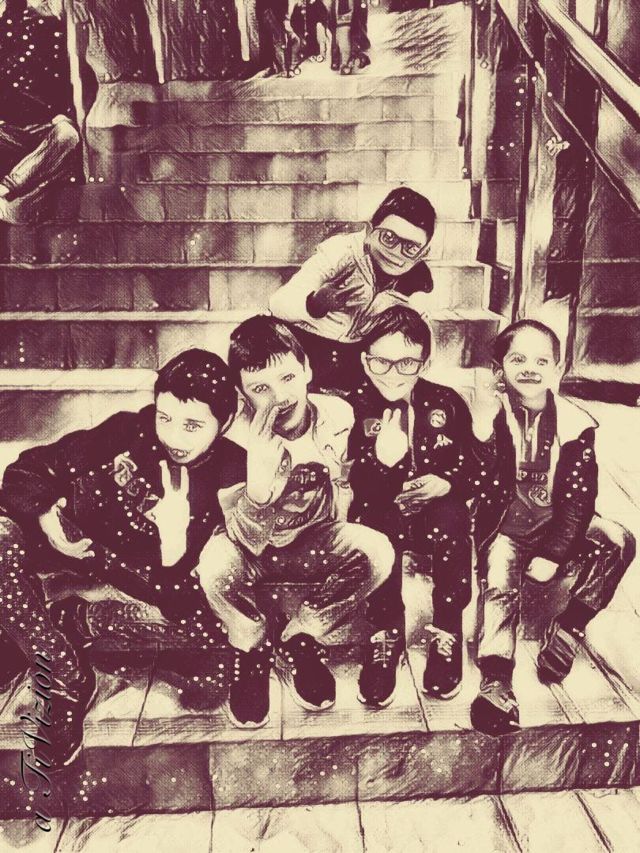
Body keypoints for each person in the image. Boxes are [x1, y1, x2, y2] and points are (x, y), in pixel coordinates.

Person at [0, 349, 244, 768]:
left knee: (208, 630)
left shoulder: (232, 474)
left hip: (144, 586)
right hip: (64, 552)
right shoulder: (128, 431)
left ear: (226, 422)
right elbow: (29, 470)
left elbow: (188, 596)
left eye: (192, 425)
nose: (174, 437)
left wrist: (173, 543)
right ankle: (65, 671)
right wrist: (46, 517)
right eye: (165, 417)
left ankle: (66, 624)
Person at [194, 316, 394, 728]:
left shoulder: (338, 414)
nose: (280, 397)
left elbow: (350, 479)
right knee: (212, 565)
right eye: (260, 388)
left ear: (307, 369)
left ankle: (301, 634)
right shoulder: (233, 439)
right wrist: (259, 488)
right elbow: (241, 537)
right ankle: (250, 647)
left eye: (287, 377)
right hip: (251, 548)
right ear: (242, 393)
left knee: (378, 551)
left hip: (314, 540)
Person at [470, 320, 636, 736]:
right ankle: (496, 676)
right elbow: (473, 477)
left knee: (618, 541)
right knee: (499, 576)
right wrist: (482, 427)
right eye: (518, 359)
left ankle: (569, 626)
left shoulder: (576, 426)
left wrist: (554, 553)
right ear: (499, 369)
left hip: (557, 526)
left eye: (542, 361)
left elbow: (579, 500)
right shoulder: (489, 415)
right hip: (506, 529)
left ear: (558, 369)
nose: (530, 368)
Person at [347, 307, 481, 707]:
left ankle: (447, 627)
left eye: (406, 362)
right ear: (364, 360)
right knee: (376, 529)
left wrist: (448, 482)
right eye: (380, 361)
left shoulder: (446, 402)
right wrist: (382, 463)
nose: (392, 373)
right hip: (380, 509)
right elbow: (353, 481)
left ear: (424, 361)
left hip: (436, 512)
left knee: (453, 519)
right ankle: (385, 632)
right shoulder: (353, 407)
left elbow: (473, 463)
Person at [270, 187, 436, 392]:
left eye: (410, 248)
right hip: (303, 346)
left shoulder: (417, 283)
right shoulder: (341, 252)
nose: (396, 253)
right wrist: (314, 304)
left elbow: (425, 343)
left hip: (353, 360)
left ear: (423, 252)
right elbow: (278, 304)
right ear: (369, 231)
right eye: (388, 238)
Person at [0, 0, 81, 220]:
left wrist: (62, 113)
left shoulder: (50, 25)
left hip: (45, 126)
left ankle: (7, 188)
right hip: (8, 128)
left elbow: (65, 77)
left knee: (68, 134)